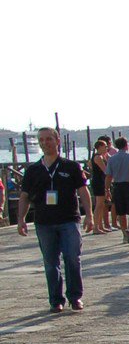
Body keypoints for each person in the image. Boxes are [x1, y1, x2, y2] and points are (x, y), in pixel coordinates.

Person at [17, 127, 90, 312]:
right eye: (41, 140)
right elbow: (24, 196)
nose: (44, 143)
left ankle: (75, 297)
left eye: (48, 139)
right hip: (44, 222)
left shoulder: (71, 166)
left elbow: (83, 191)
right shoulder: (33, 170)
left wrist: (89, 215)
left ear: (57, 141)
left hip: (69, 220)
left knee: (72, 258)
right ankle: (56, 300)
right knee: (51, 263)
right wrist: (21, 219)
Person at [104, 137, 129, 245]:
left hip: (117, 186)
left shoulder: (111, 159)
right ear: (126, 144)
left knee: (121, 213)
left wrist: (107, 189)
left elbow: (108, 176)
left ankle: (124, 235)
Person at [86, 136, 110, 235]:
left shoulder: (99, 156)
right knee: (99, 204)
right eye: (104, 146)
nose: (106, 148)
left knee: (102, 204)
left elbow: (90, 165)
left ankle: (100, 225)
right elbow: (105, 170)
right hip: (99, 181)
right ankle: (96, 227)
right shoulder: (98, 157)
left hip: (98, 180)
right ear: (99, 147)